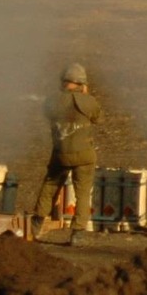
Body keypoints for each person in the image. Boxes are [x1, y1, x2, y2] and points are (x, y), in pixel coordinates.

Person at [35, 63, 103, 243]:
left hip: (60, 153)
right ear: (82, 83)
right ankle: (78, 232)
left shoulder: (52, 100)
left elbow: (47, 115)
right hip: (84, 154)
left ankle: (37, 223)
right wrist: (85, 97)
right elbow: (97, 118)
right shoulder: (89, 101)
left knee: (50, 187)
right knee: (82, 193)